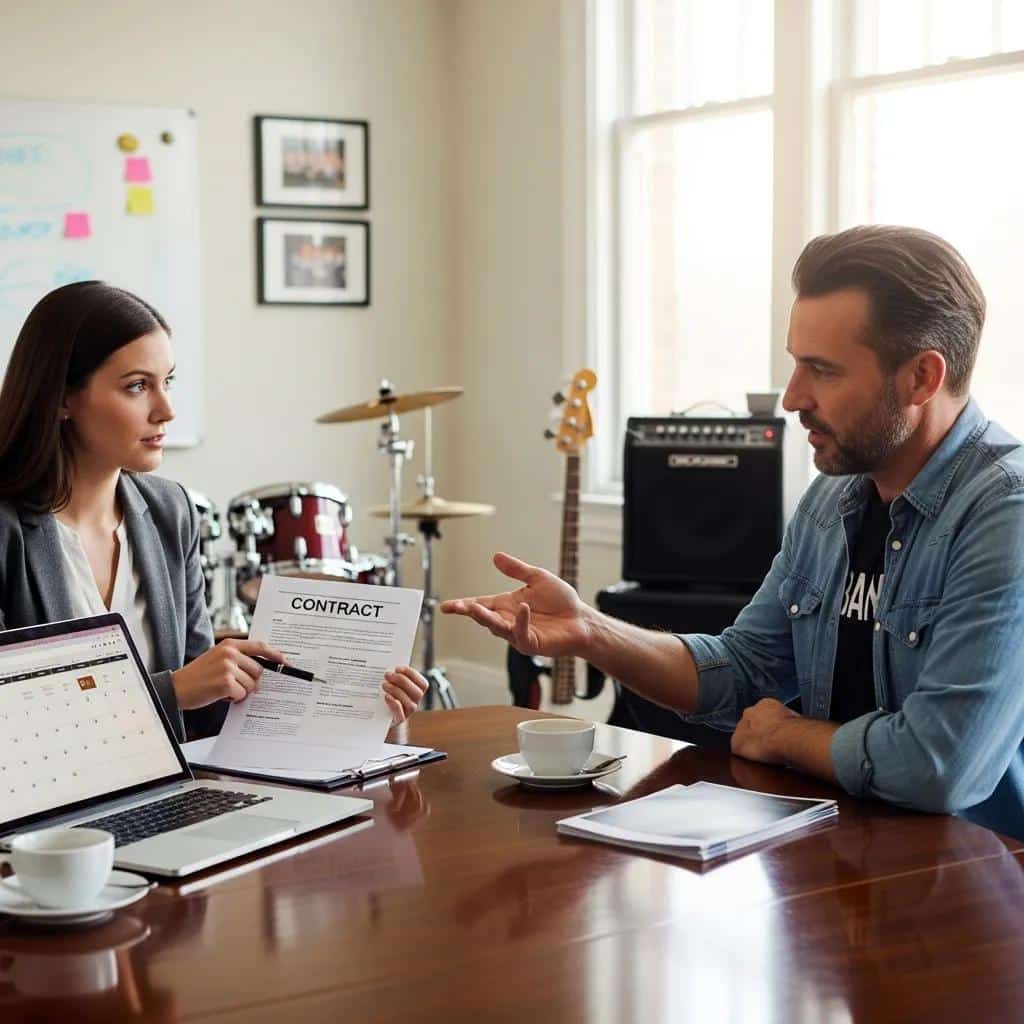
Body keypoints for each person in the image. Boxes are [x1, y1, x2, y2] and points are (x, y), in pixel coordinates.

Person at [443, 225, 1024, 840]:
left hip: (970, 882)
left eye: (822, 371)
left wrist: (788, 736)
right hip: (842, 857)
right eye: (795, 365)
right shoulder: (835, 496)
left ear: (921, 378)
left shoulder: (1003, 513)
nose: (792, 397)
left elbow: (940, 766)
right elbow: (743, 670)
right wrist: (592, 631)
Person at [0, 281, 427, 740]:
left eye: (168, 382)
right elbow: (16, 719)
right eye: (138, 386)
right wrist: (174, 690)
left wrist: (348, 701)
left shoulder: (170, 511)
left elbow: (201, 716)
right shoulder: (9, 529)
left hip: (172, 791)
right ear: (63, 398)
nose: (166, 410)